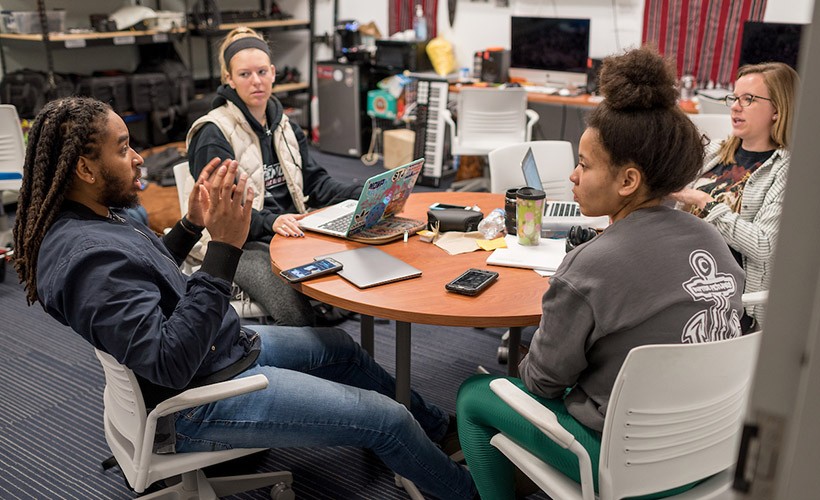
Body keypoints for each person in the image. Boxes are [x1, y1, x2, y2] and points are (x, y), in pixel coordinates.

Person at [13, 97, 475, 500]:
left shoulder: (95, 219)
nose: (138, 158)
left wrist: (192, 226)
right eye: (123, 148)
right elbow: (169, 361)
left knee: (341, 350)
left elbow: (145, 277)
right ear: (84, 168)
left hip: (214, 350)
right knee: (386, 420)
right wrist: (225, 248)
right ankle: (476, 493)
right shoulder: (88, 260)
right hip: (196, 399)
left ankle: (437, 431)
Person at [456, 47, 746, 499]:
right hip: (711, 451)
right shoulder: (713, 241)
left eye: (584, 165)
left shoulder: (587, 266)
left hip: (627, 467)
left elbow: (541, 382)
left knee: (476, 393)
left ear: (628, 181)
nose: (572, 176)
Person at [187, 27, 362, 326]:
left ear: (273, 73)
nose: (256, 81)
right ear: (228, 79)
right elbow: (223, 213)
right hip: (237, 244)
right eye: (244, 74)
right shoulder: (213, 133)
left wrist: (359, 191)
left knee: (363, 256)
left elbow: (315, 182)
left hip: (290, 231)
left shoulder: (285, 126)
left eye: (262, 71)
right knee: (292, 307)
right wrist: (272, 222)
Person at [671, 62, 798, 331]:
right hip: (678, 276)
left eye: (748, 99)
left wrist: (705, 203)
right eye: (734, 98)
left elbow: (764, 246)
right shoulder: (714, 152)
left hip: (727, 303)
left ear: (777, 109)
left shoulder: (786, 169)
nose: (735, 106)